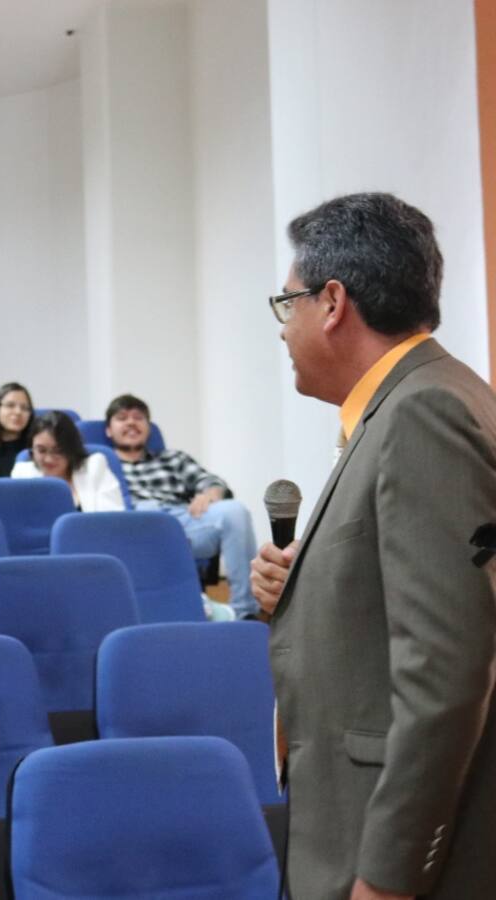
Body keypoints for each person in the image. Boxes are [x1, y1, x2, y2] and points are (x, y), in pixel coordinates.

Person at [246, 193, 496, 900]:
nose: (282, 327)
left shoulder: (424, 412)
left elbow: (446, 669)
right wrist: (304, 582)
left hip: (389, 860)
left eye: (285, 302)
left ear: (331, 302)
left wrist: (388, 877)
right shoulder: (425, 399)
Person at [104, 393, 256, 618]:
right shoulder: (102, 464)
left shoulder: (173, 458)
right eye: (122, 418)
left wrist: (209, 493)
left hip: (184, 521)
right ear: (109, 430)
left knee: (235, 510)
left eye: (138, 417)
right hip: (137, 527)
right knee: (148, 511)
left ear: (148, 427)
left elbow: (212, 481)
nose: (131, 422)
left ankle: (245, 613)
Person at [11, 412, 124, 511]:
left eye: (58, 451)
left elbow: (113, 520)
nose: (49, 459)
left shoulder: (94, 468)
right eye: (41, 450)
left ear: (71, 449)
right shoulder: (22, 473)